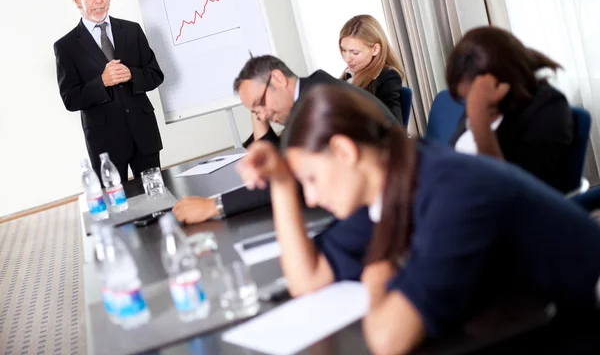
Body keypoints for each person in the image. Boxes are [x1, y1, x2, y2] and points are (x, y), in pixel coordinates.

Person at [236, 83, 600, 354]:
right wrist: (282, 183)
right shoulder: (389, 177)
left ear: (344, 151)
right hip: (512, 319)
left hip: (575, 323)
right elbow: (307, 279)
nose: (311, 197)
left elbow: (388, 339)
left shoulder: (450, 190)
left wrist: (377, 273)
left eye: (310, 179)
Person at [173, 55, 398, 224]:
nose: (261, 115)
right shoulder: (307, 94)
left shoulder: (318, 100)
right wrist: (259, 110)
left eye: (259, 104)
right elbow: (276, 159)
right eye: (254, 111)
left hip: (389, 201)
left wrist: (214, 206)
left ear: (279, 79)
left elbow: (288, 175)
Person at [54, 0, 164, 182]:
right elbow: (70, 98)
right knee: (118, 209)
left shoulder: (132, 31)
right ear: (78, 0)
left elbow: (155, 75)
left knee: (157, 200)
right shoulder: (66, 46)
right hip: (105, 145)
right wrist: (102, 82)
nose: (98, 0)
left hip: (144, 135)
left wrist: (131, 75)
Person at [446, 26, 574, 193]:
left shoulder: (547, 107)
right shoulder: (478, 103)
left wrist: (479, 118)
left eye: (473, 97)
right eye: (466, 99)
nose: (469, 104)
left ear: (502, 82)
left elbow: (514, 194)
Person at [339, 15, 407, 124]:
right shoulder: (348, 75)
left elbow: (393, 124)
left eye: (355, 53)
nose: (347, 58)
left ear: (375, 49)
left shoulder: (387, 77)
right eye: (343, 50)